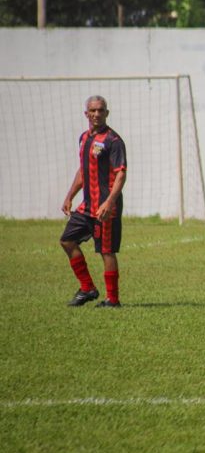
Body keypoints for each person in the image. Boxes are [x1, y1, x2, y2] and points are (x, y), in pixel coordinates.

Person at [61, 95, 128, 308]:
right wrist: (70, 195)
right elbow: (83, 170)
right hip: (87, 205)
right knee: (67, 240)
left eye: (101, 110)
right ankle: (87, 288)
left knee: (106, 251)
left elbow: (121, 174)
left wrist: (109, 202)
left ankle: (113, 300)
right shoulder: (83, 138)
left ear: (107, 113)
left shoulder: (113, 141)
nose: (97, 114)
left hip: (105, 206)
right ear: (86, 114)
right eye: (93, 110)